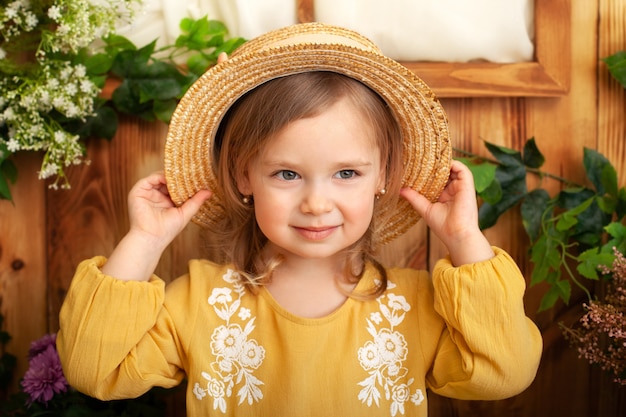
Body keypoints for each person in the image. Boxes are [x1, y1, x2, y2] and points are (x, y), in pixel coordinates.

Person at [57, 22, 542, 417]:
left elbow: (505, 373)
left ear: (384, 176)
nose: (316, 203)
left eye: (346, 173)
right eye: (287, 173)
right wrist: (144, 240)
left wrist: (463, 238)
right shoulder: (199, 303)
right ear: (244, 176)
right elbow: (92, 369)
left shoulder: (417, 308)